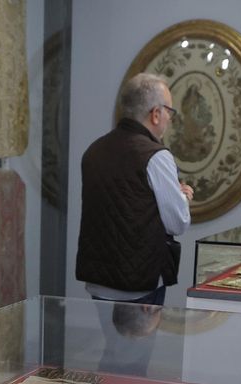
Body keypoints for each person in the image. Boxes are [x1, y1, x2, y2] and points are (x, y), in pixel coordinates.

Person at [75, 73, 193, 305]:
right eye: (170, 112)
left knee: (109, 340)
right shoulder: (156, 156)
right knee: (139, 342)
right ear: (156, 114)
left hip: (98, 279)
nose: (170, 119)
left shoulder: (94, 151)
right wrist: (183, 196)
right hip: (140, 281)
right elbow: (177, 223)